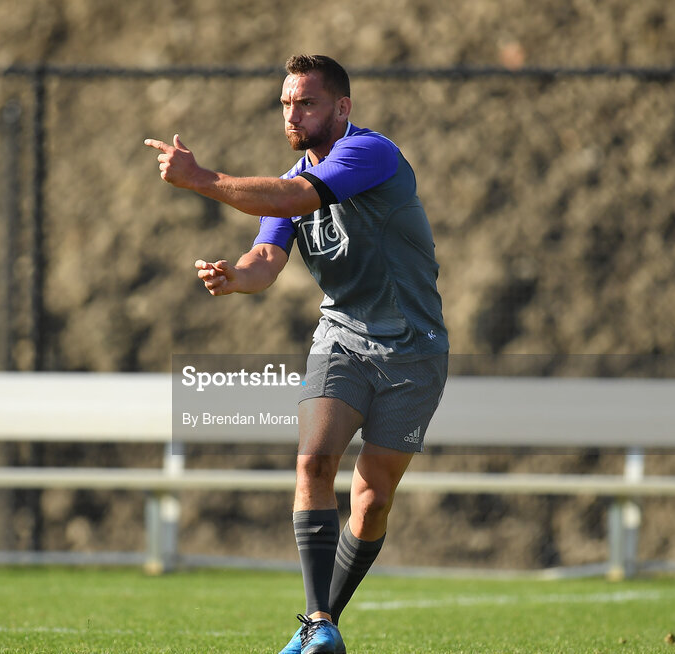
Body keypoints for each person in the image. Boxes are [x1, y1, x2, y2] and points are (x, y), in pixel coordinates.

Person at [145, 54, 448, 654]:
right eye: (287, 102)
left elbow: (293, 199)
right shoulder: (291, 180)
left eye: (306, 102)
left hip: (414, 349)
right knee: (313, 464)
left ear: (342, 108)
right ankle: (317, 622)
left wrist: (202, 179)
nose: (293, 113)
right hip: (342, 337)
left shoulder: (371, 153)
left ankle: (322, 622)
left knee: (373, 495)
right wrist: (236, 276)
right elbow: (268, 257)